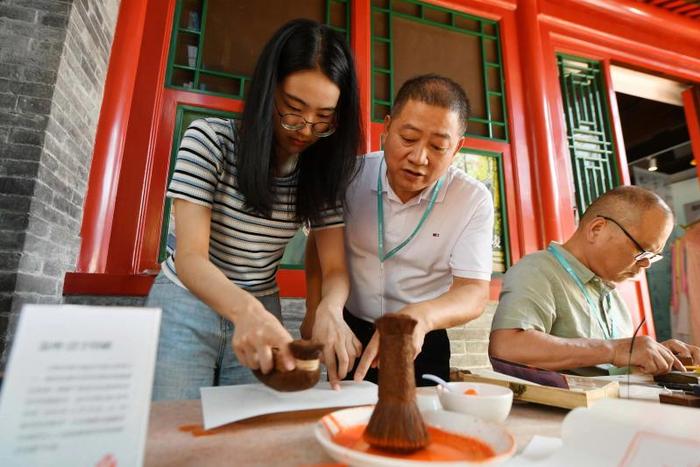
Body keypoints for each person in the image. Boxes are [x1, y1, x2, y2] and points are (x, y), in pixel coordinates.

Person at [147, 19, 363, 400]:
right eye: (293, 109)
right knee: (174, 430)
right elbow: (191, 258)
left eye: (324, 118)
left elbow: (334, 269)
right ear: (268, 91)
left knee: (249, 434)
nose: (306, 129)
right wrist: (246, 312)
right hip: (187, 300)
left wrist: (331, 308)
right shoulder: (209, 140)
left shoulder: (321, 171)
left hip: (262, 303)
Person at [303, 74, 494, 387]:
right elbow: (319, 246)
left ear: (456, 148)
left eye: (438, 146)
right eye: (408, 138)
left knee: (420, 426)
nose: (419, 158)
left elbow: (473, 291)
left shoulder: (472, 199)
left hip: (421, 335)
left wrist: (420, 317)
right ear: (386, 129)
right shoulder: (349, 177)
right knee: (346, 420)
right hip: (351, 330)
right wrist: (315, 310)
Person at [490, 186, 700, 375]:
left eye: (652, 257)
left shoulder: (610, 293)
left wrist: (657, 355)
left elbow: (610, 366)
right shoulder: (538, 269)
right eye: (642, 251)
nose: (645, 264)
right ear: (596, 229)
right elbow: (507, 348)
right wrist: (618, 349)